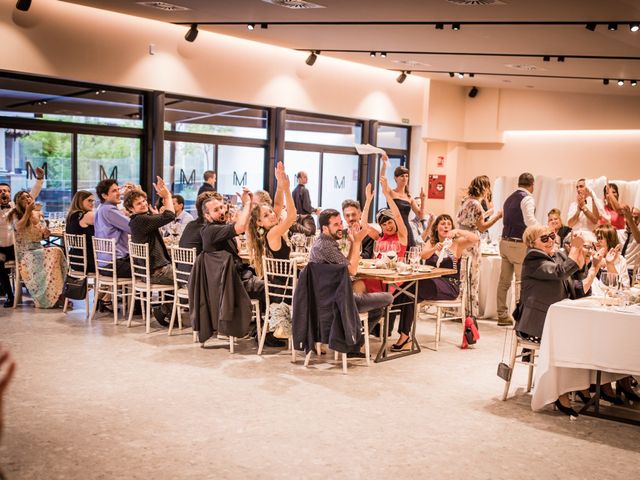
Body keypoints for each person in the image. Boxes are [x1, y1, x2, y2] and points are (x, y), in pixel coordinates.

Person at [515, 224, 585, 417]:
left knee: (585, 338)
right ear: (532, 244)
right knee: (566, 344)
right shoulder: (533, 258)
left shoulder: (555, 254)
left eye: (552, 236)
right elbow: (560, 272)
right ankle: (560, 393)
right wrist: (576, 249)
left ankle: (586, 387)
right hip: (536, 324)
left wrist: (584, 254)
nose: (551, 240)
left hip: (556, 320)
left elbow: (576, 271)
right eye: (544, 238)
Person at [308, 205, 393, 356]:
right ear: (325, 228)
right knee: (388, 297)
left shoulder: (322, 243)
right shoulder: (326, 247)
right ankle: (353, 345)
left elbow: (346, 266)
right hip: (339, 301)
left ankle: (352, 343)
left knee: (375, 306)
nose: (341, 227)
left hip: (327, 299)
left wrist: (354, 242)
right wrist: (358, 242)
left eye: (340, 223)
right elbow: (352, 270)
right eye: (336, 225)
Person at [200, 188, 265, 310]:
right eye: (216, 210)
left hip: (235, 278)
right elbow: (240, 228)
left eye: (221, 207)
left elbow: (241, 230)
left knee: (271, 281)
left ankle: (264, 321)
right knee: (274, 288)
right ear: (207, 216)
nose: (221, 211)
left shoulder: (218, 228)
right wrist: (246, 204)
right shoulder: (211, 231)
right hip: (232, 284)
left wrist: (248, 206)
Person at [126, 178, 176, 326]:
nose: (142, 205)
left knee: (187, 275)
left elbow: (162, 218)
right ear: (131, 209)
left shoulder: (137, 220)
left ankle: (167, 310)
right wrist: (167, 196)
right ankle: (165, 310)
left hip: (151, 272)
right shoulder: (141, 220)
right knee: (195, 277)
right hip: (158, 272)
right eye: (138, 203)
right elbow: (170, 216)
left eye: (143, 201)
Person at [8, 191, 67, 308]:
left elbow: (42, 236)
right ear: (18, 202)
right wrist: (28, 212)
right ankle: (52, 297)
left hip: (38, 250)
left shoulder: (38, 215)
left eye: (28, 196)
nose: (27, 199)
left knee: (57, 251)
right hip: (25, 253)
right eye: (23, 198)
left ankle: (59, 293)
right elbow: (18, 227)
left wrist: (46, 233)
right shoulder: (14, 214)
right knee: (55, 251)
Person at [457, 175, 503, 320]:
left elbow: (474, 219)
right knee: (472, 276)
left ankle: (460, 309)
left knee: (463, 275)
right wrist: (497, 217)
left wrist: (488, 213)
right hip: (471, 240)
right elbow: (481, 227)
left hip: (462, 239)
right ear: (483, 188)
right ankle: (469, 312)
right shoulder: (476, 204)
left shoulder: (467, 201)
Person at [495, 173, 536, 326]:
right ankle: (521, 317)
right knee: (520, 282)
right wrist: (542, 231)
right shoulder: (527, 198)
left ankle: (502, 315)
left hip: (504, 242)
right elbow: (529, 220)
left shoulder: (509, 199)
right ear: (532, 184)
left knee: (504, 282)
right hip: (518, 245)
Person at [0, 168, 44, 307]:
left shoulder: (14, 207)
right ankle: (9, 295)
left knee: (33, 255)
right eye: (0, 191)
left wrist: (39, 179)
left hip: (15, 247)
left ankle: (34, 289)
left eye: (6, 191)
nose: (4, 193)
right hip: (0, 248)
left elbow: (31, 195)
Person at [383, 157, 426, 248]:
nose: (404, 178)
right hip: (393, 227)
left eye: (406, 176)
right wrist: (384, 164)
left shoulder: (409, 197)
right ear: (395, 178)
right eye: (402, 176)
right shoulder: (391, 192)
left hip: (406, 228)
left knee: (407, 254)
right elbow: (382, 179)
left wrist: (423, 200)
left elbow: (420, 215)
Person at [94, 179, 132, 278]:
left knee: (144, 265)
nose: (119, 193)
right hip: (113, 263)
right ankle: (137, 293)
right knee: (150, 268)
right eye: (114, 191)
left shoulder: (101, 208)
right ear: (104, 195)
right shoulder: (109, 210)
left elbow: (123, 217)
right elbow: (133, 228)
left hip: (103, 263)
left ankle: (111, 294)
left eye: (118, 190)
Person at [65, 190, 96, 274]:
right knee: (114, 263)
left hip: (74, 260)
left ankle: (104, 286)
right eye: (89, 200)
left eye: (93, 201)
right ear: (80, 201)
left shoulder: (71, 215)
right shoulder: (86, 215)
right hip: (88, 261)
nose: (92, 203)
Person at [179, 191, 216, 256]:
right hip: (197, 265)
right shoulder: (206, 228)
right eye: (216, 209)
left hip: (181, 266)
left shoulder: (190, 224)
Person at [593, 223, 629, 288]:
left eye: (600, 238)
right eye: (596, 238)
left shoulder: (620, 260)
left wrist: (609, 264)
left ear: (610, 240)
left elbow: (625, 288)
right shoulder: (591, 258)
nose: (597, 241)